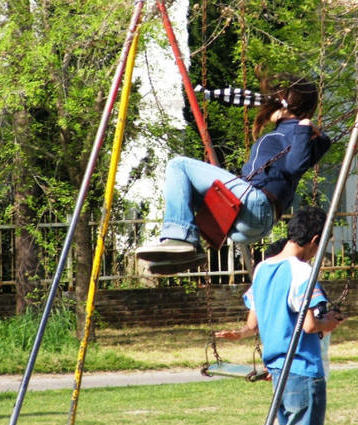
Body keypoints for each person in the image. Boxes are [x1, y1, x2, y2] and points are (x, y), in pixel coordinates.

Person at [136, 74, 332, 275]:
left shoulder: (298, 133)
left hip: (257, 205)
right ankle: (190, 248)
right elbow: (319, 144)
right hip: (252, 224)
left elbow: (295, 165)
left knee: (178, 166)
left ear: (288, 104)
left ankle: (179, 237)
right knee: (188, 186)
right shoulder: (295, 135)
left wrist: (305, 126)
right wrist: (307, 130)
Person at [219, 207, 343, 425]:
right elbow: (310, 326)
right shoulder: (302, 271)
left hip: (278, 372)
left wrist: (239, 334)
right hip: (303, 370)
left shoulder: (262, 268)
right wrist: (329, 322)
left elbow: (253, 323)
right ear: (315, 240)